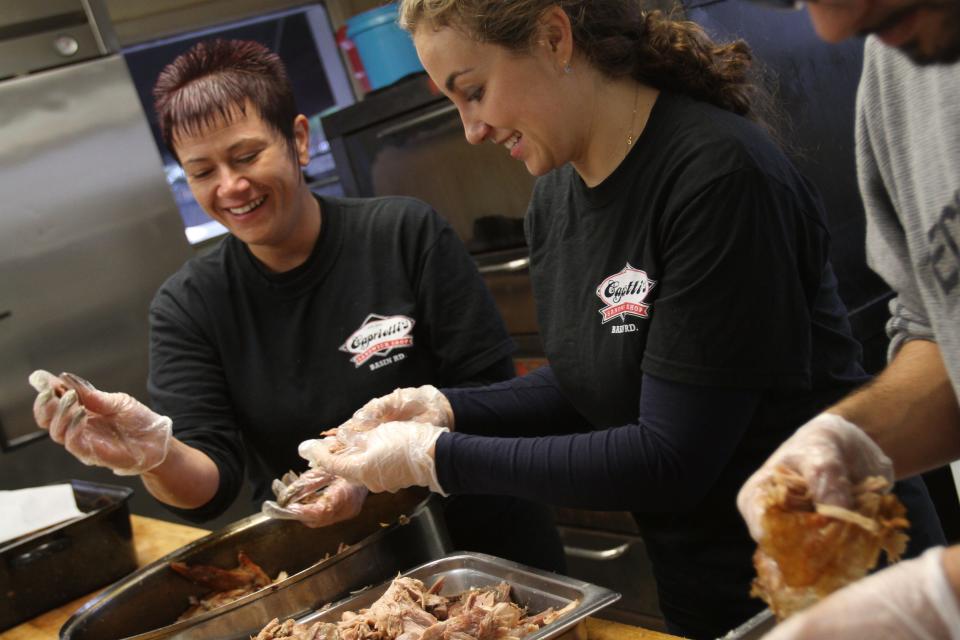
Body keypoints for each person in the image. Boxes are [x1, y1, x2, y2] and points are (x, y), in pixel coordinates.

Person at [290, 2, 947, 638]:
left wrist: (434, 459)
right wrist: (440, 410)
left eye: (475, 91)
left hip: (845, 574)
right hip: (708, 591)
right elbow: (595, 378)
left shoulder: (715, 174)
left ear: (554, 37)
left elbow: (671, 456)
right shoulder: (556, 194)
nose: (472, 129)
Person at [27, 38, 566, 573]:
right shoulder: (189, 306)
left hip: (489, 551)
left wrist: (380, 474)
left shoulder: (403, 234)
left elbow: (489, 398)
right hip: (338, 574)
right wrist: (155, 456)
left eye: (246, 156)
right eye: (202, 172)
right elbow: (211, 485)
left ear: (299, 140)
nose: (231, 186)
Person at [733, 0, 960, 638]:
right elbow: (940, 328)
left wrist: (939, 594)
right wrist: (850, 438)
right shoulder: (897, 69)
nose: (829, 28)